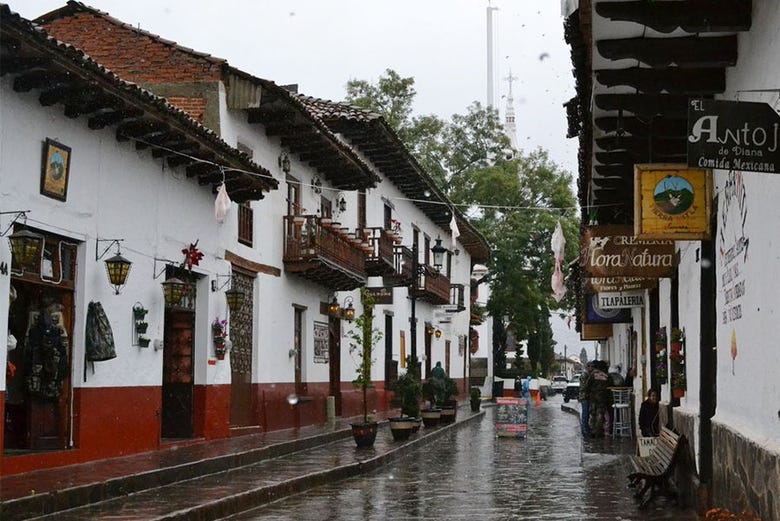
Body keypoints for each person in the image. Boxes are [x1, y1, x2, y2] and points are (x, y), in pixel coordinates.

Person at [578, 362, 594, 437]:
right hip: (584, 396)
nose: (593, 368)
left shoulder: (588, 374)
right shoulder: (585, 375)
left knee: (587, 413)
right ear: (588, 367)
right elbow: (585, 386)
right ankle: (584, 431)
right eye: (591, 367)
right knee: (585, 414)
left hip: (586, 396)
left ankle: (586, 429)